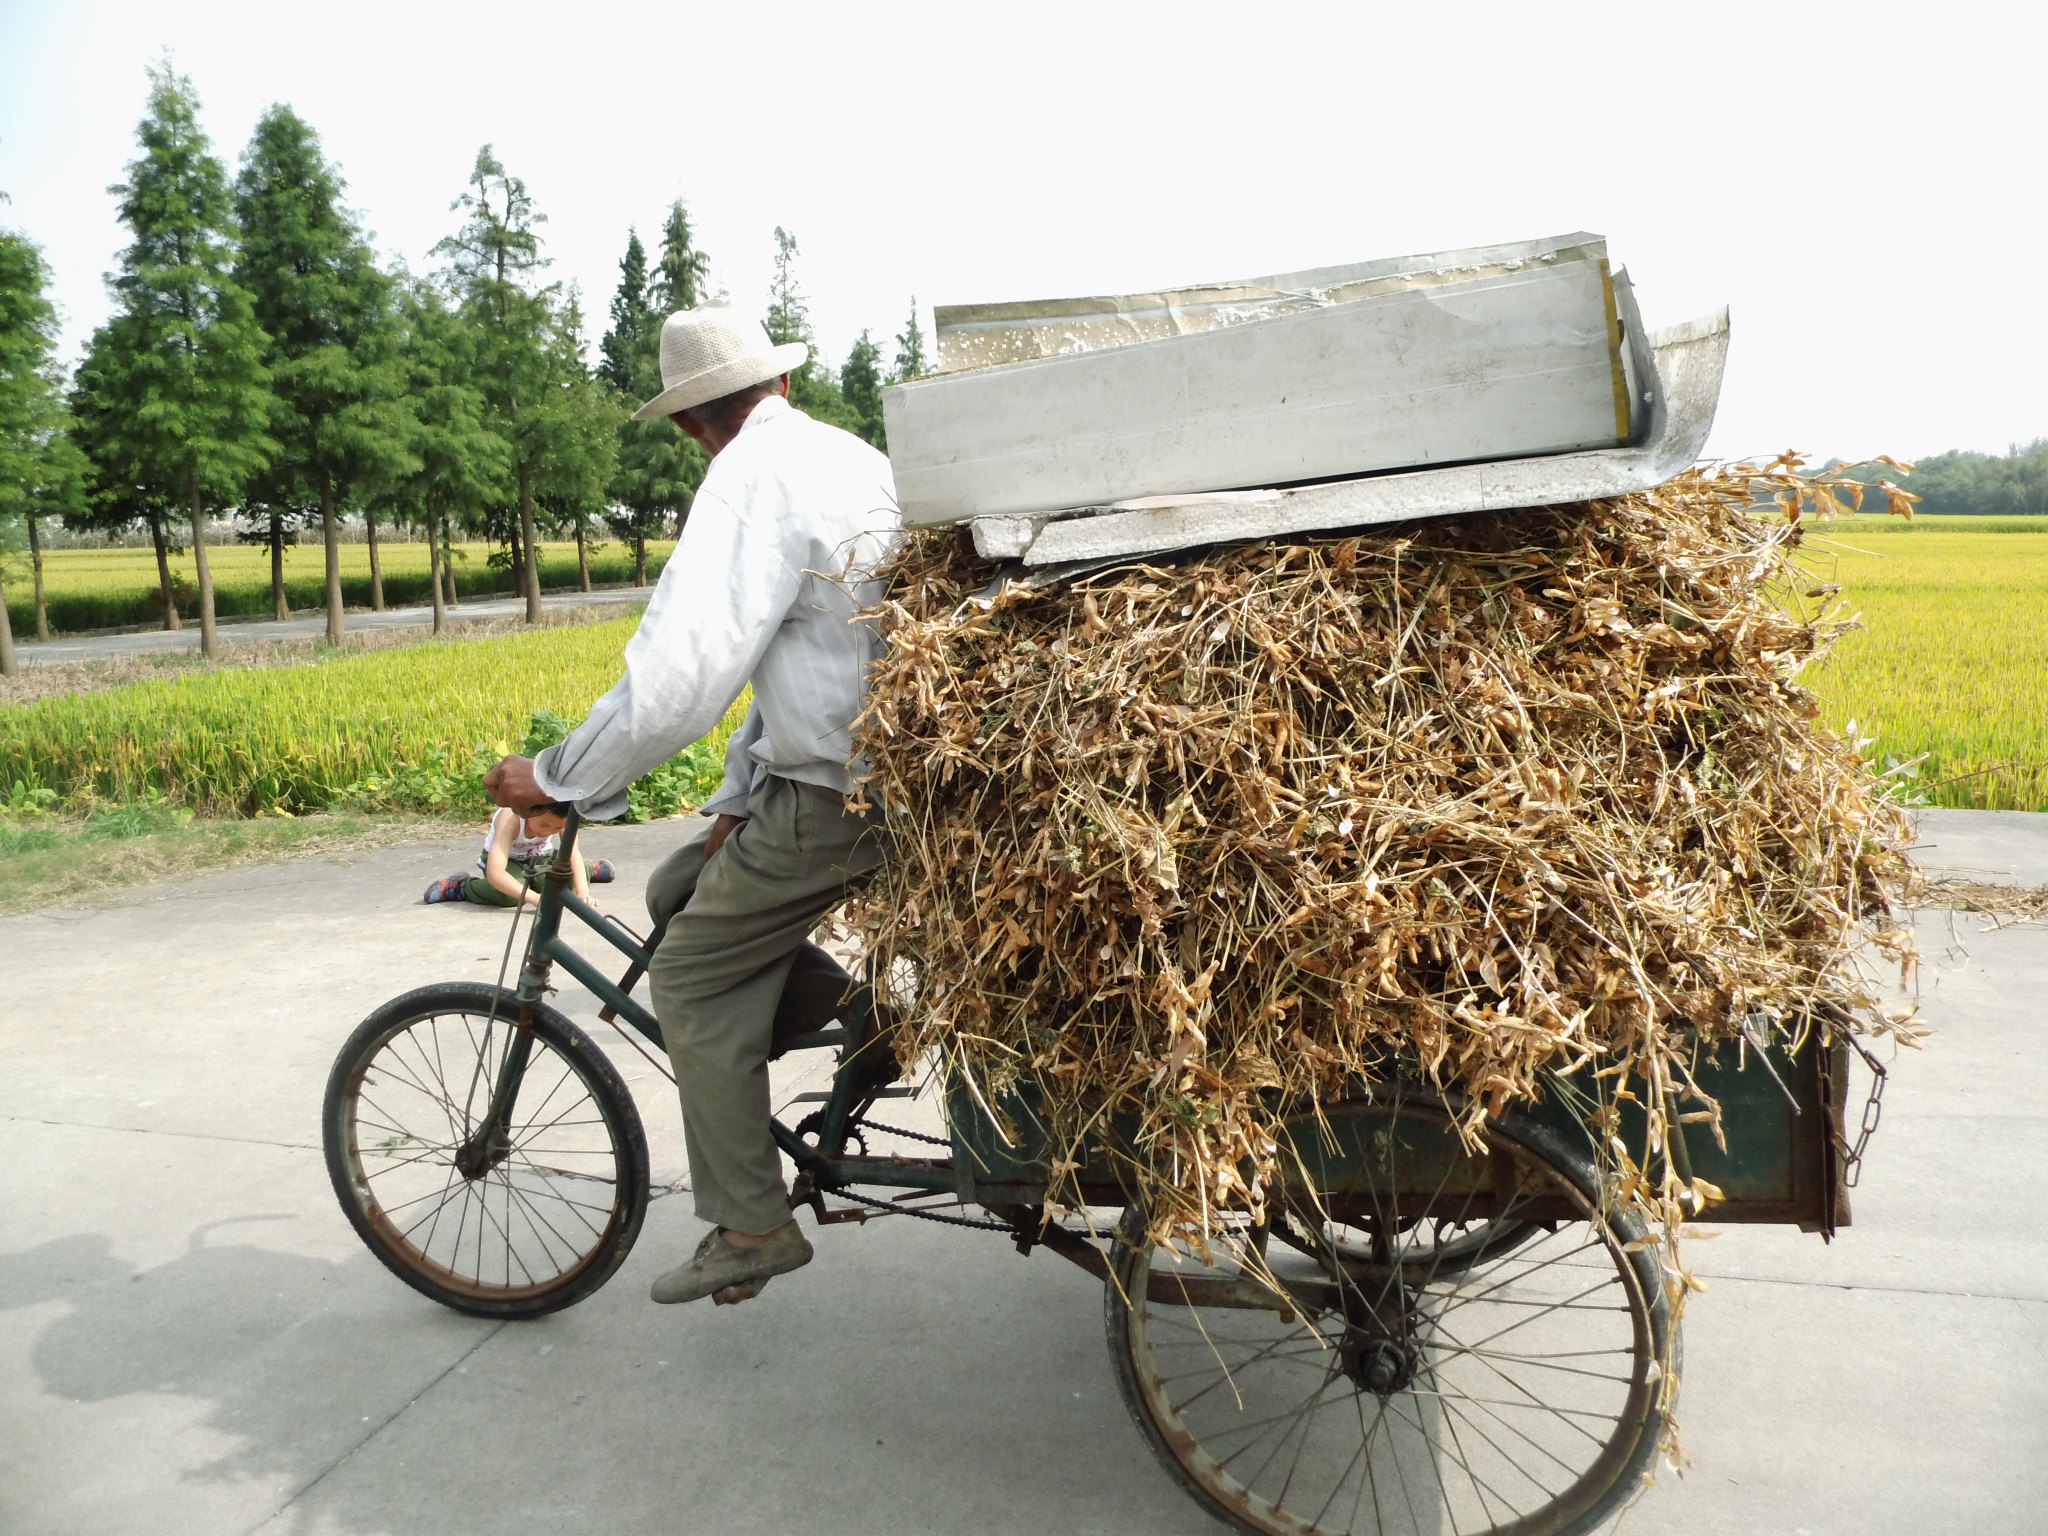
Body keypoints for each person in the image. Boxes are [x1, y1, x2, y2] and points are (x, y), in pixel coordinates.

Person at [482, 306, 899, 1307]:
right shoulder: (848, 456)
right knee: (678, 886)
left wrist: (558, 776)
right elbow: (809, 659)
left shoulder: (747, 480)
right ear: (781, 385)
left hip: (842, 795)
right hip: (878, 768)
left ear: (686, 424)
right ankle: (869, 1018)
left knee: (690, 978)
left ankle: (752, 1225)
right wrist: (732, 802)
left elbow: (680, 680)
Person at [422, 805, 616, 908]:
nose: (547, 831)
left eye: (557, 827)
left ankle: (587, 869)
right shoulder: (511, 816)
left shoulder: (564, 812)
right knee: (510, 897)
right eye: (544, 825)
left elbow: (572, 851)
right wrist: (535, 898)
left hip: (541, 857)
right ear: (529, 811)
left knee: (566, 889)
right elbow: (496, 872)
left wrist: (583, 893)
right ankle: (463, 887)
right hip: (508, 861)